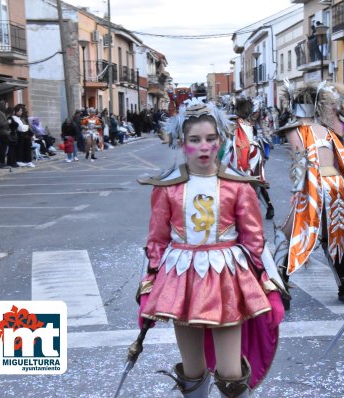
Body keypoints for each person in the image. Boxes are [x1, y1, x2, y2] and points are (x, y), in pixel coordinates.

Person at [137, 100, 284, 397]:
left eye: (210, 139)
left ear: (220, 141)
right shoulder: (167, 187)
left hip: (227, 277)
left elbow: (255, 241)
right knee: (192, 370)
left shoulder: (238, 186)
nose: (204, 147)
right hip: (180, 279)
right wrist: (148, 286)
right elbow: (157, 240)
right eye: (194, 140)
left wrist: (269, 286)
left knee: (231, 373)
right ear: (182, 143)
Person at [274, 80, 344, 308]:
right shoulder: (326, 130)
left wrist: (297, 189)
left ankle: (282, 288)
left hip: (314, 185)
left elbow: (300, 161)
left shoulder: (296, 130)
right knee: (331, 236)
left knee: (291, 234)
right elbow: (342, 159)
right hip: (336, 184)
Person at [222, 98, 275, 220]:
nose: (256, 114)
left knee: (253, 182)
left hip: (253, 154)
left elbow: (263, 131)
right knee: (250, 182)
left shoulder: (250, 122)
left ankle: (261, 207)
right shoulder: (236, 123)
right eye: (255, 112)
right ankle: (257, 207)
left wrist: (267, 141)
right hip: (243, 155)